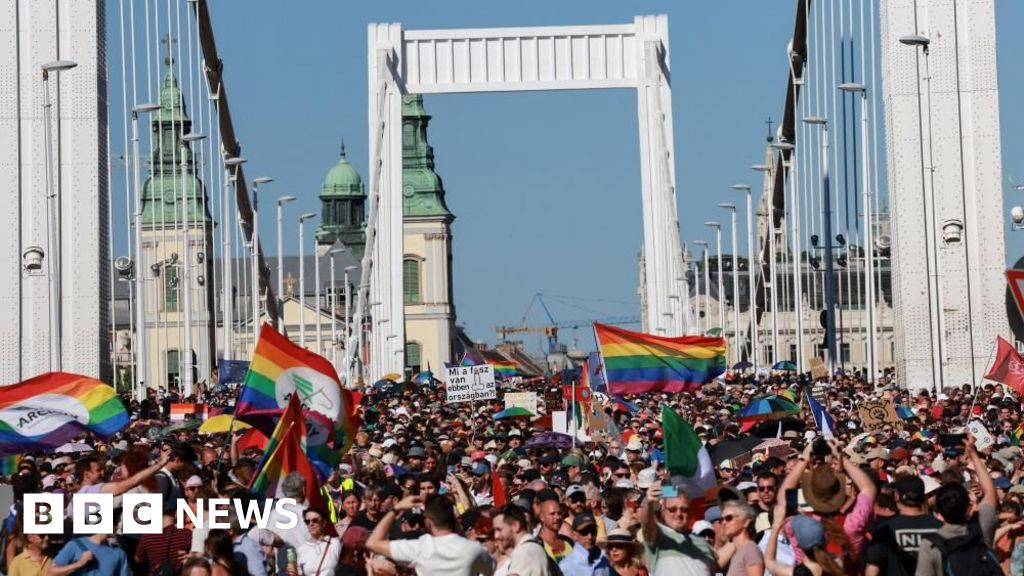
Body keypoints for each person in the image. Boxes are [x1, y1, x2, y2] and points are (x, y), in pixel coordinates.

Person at [915, 435, 999, 576]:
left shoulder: (930, 544)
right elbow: (990, 489)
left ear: (939, 511)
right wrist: (973, 454)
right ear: (968, 505)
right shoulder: (981, 525)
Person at [365, 494, 495, 576]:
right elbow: (493, 571)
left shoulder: (421, 548)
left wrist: (397, 508)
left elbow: (373, 543)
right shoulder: (474, 549)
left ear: (428, 521)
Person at [865, 476, 941, 576]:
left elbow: (872, 570)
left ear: (897, 496)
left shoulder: (885, 529)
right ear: (923, 497)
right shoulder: (941, 528)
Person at [638, 483, 717, 576]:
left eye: (684, 509)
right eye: (672, 509)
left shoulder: (701, 541)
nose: (678, 513)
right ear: (663, 510)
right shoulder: (658, 536)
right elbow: (647, 524)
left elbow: (717, 565)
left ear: (690, 512)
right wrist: (648, 503)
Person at [764, 513, 844, 576]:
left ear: (798, 543)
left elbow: (769, 561)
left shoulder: (797, 573)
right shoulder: (837, 564)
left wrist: (775, 527)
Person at [493, 504, 550, 576]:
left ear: (516, 526)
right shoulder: (530, 548)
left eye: (499, 530)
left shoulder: (525, 551)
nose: (496, 536)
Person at [47, 532, 131, 576]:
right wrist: (79, 563)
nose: (118, 526)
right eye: (115, 521)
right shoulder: (75, 545)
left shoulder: (119, 553)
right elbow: (51, 573)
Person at [716, 503, 764, 576]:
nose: (723, 522)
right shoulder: (739, 552)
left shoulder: (750, 550)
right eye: (722, 519)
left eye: (729, 518)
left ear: (746, 522)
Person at [296, 507, 341, 576]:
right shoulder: (302, 549)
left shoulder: (335, 543)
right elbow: (300, 573)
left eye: (315, 520)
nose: (311, 524)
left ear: (324, 523)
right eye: (307, 521)